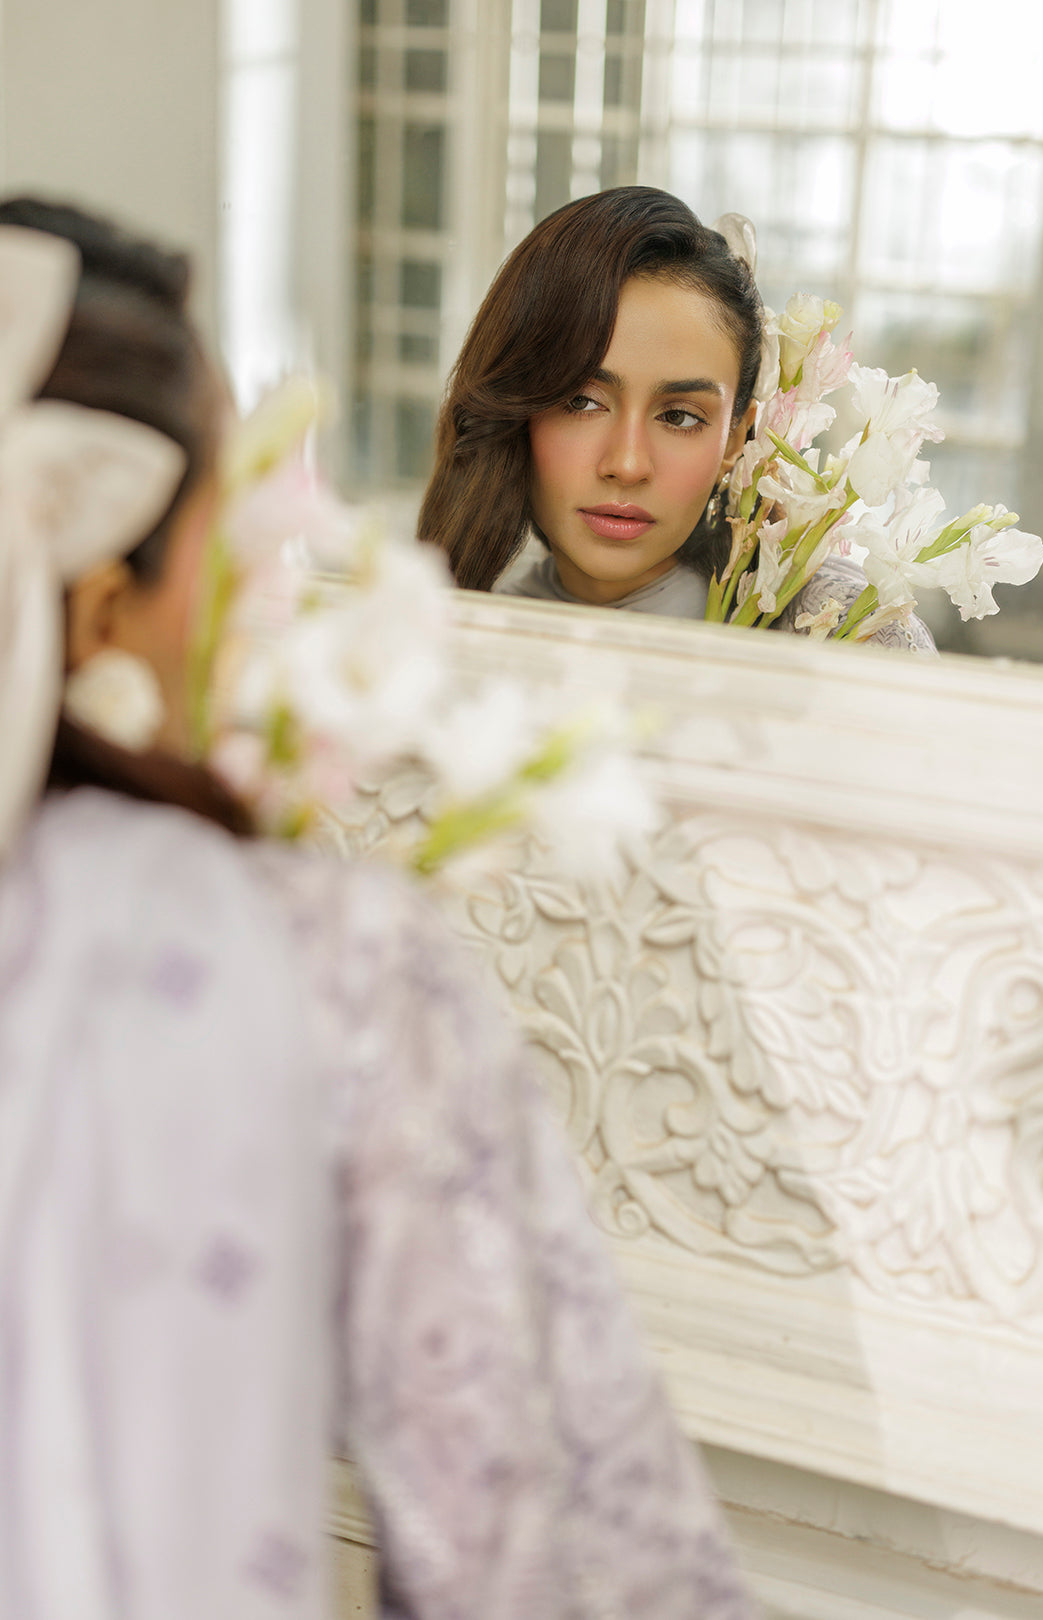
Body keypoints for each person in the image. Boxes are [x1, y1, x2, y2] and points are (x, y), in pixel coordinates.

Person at [0, 198, 756, 1618]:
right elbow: (537, 1552)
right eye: (229, 520)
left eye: (680, 412)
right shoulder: (324, 965)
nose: (625, 458)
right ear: (101, 600)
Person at [419, 186, 933, 653]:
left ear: (736, 438)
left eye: (680, 416)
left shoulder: (840, 633)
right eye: (581, 402)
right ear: (515, 408)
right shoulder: (442, 636)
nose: (627, 464)